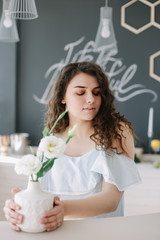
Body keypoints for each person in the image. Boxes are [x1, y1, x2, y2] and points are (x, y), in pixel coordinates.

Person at [3, 61, 141, 232]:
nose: (91, 99)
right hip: (56, 233)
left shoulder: (117, 132)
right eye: (81, 92)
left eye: (97, 92)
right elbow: (36, 190)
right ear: (63, 97)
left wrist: (62, 209)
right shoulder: (51, 139)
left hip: (104, 234)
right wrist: (18, 205)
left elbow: (110, 201)